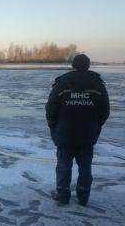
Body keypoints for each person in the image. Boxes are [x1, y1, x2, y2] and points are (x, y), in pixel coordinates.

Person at [45, 54, 110, 206]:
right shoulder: (97, 84)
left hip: (65, 133)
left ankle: (62, 195)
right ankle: (83, 196)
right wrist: (95, 127)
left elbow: (51, 109)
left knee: (63, 166)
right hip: (87, 134)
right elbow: (105, 111)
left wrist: (54, 127)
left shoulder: (62, 83)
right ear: (88, 65)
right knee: (85, 166)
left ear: (73, 65)